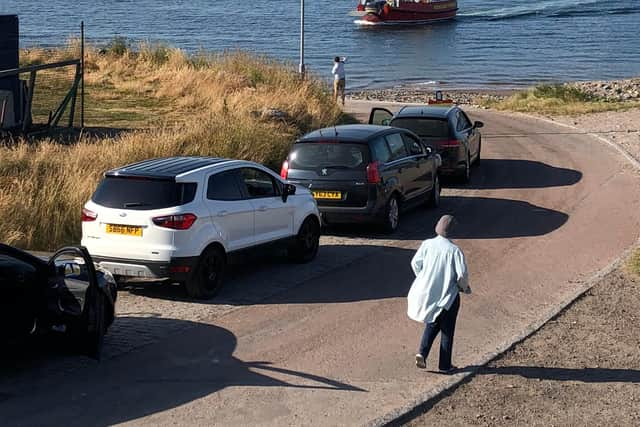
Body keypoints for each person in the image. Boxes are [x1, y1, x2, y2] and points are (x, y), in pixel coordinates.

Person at [407, 215, 471, 374]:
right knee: (447, 330)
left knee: (433, 321)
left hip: (429, 292)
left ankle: (422, 352)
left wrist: (423, 277)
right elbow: (462, 275)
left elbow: (415, 263)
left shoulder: (427, 244)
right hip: (448, 296)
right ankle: (444, 365)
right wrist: (463, 287)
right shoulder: (454, 251)